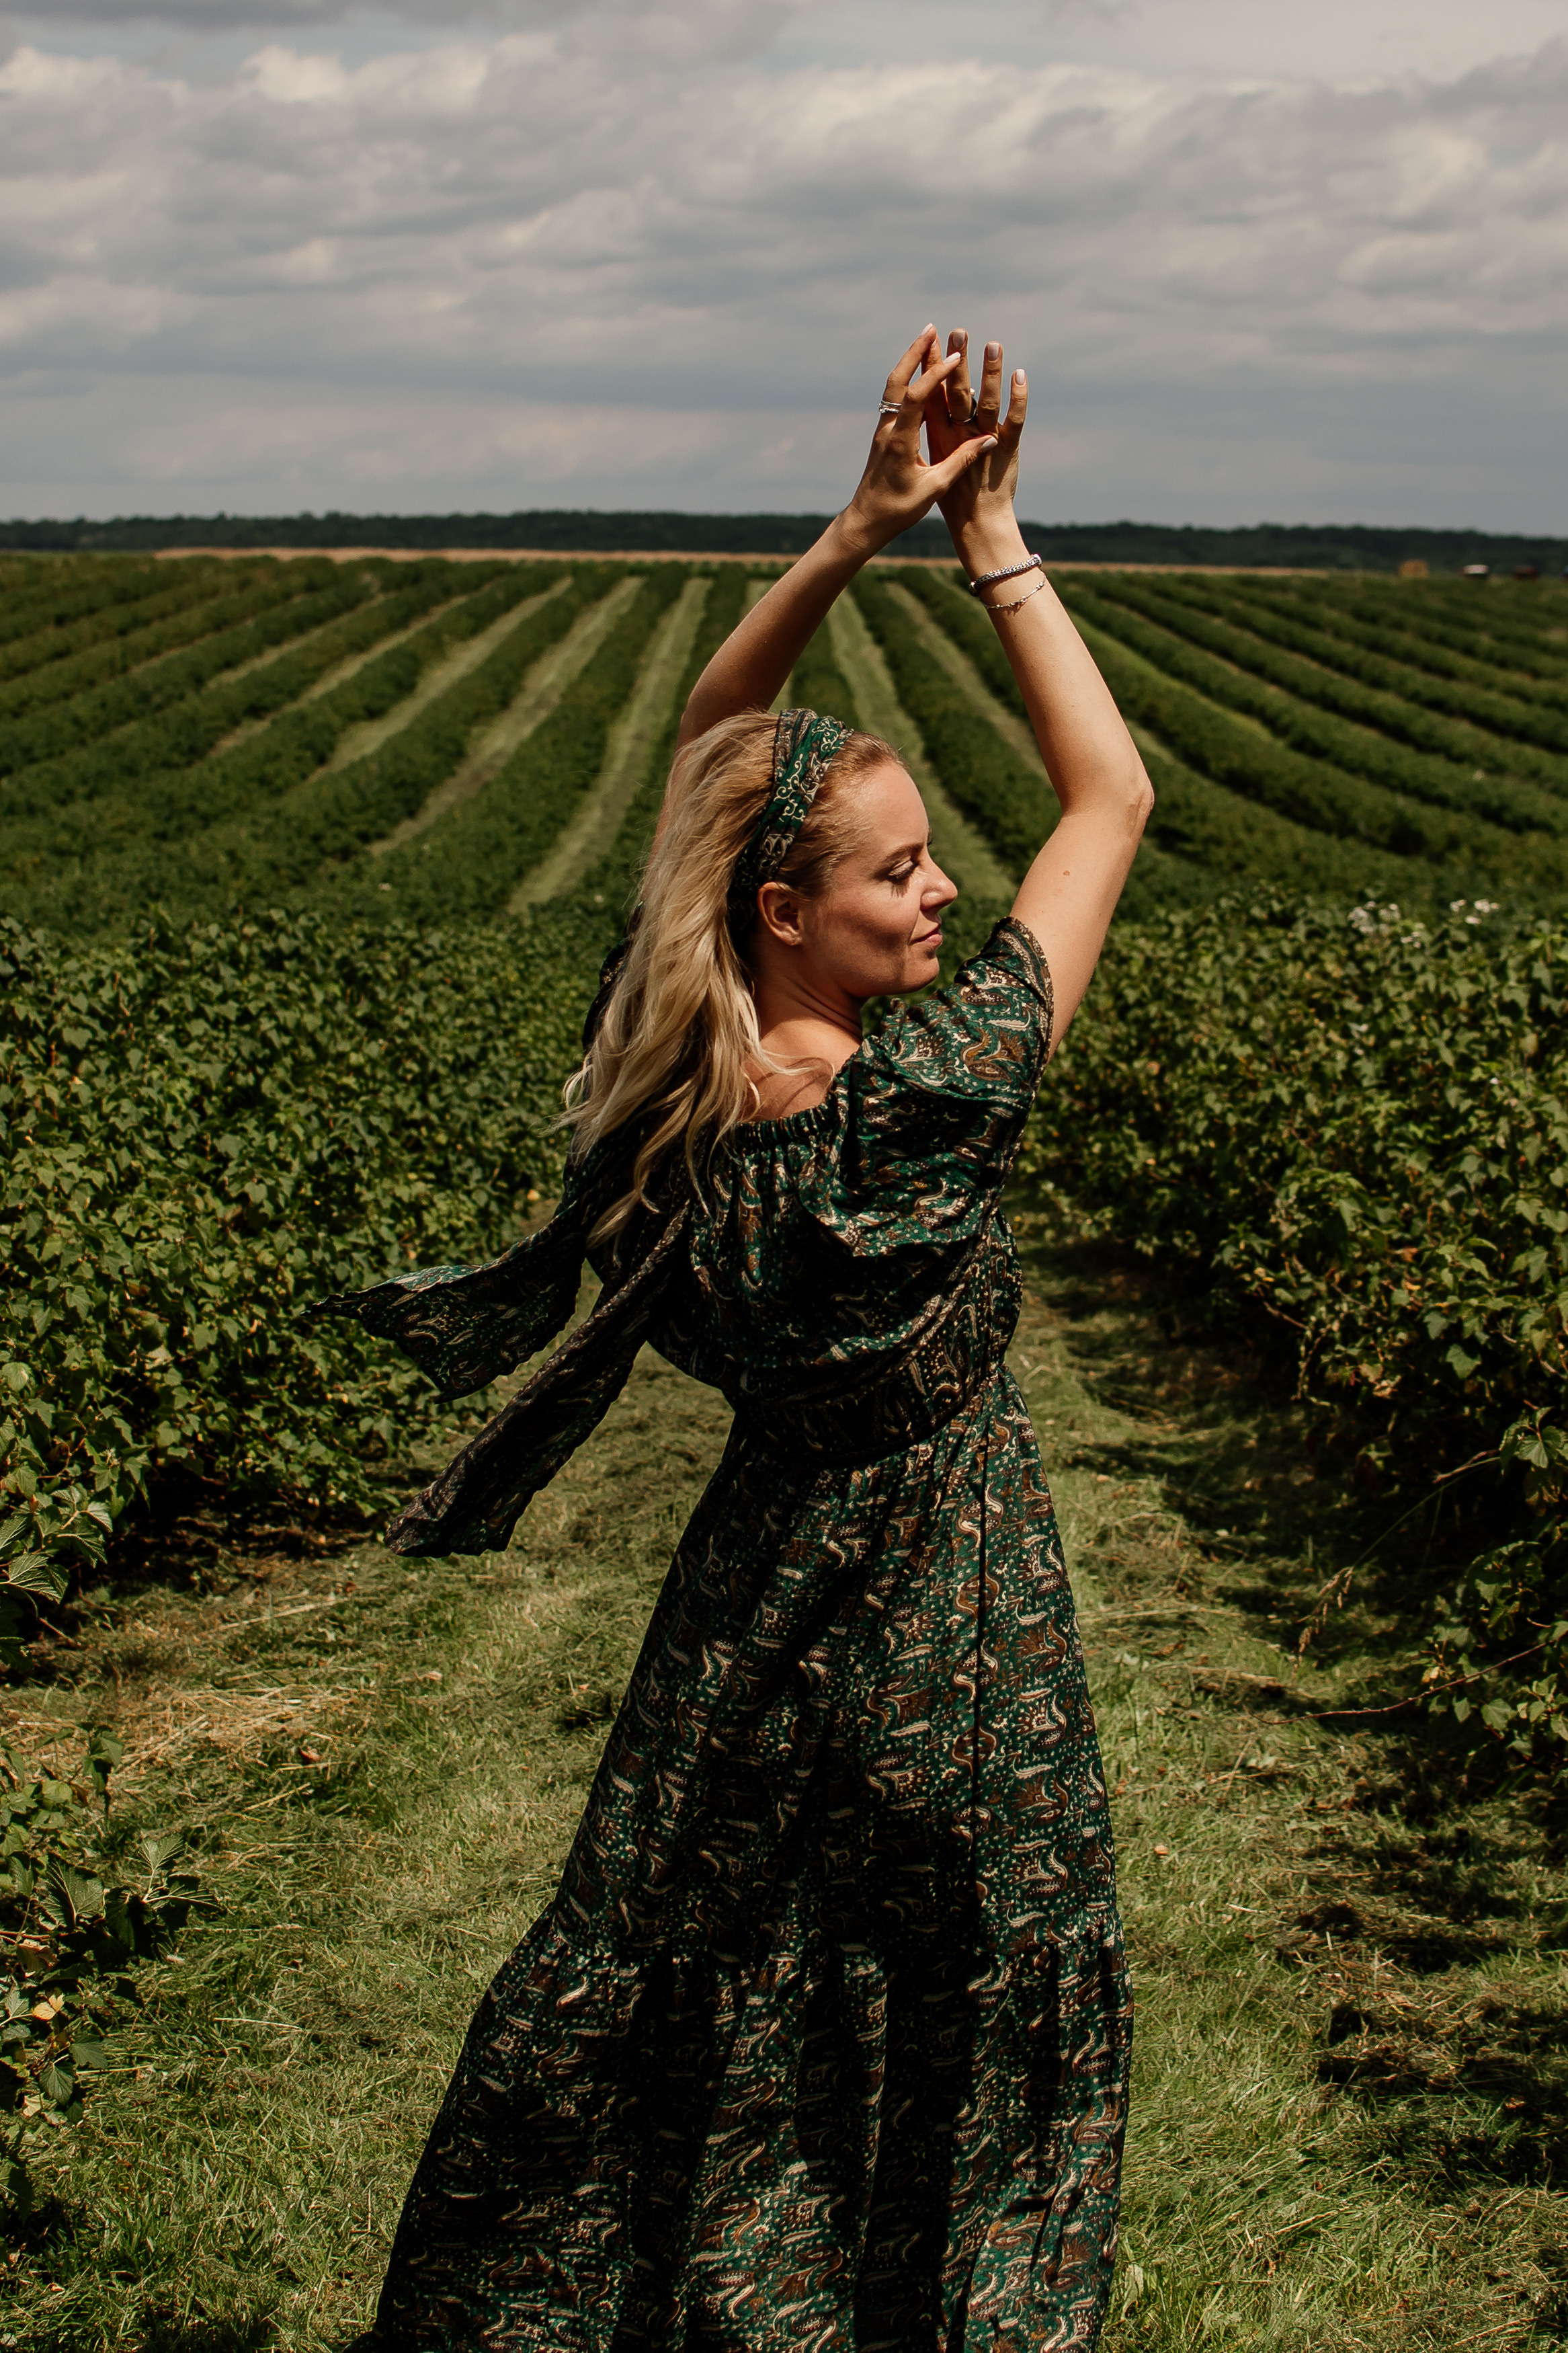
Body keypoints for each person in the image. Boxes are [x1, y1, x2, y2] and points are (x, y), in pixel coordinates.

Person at [326, 325, 1153, 2351]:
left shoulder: (671, 1104)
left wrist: (855, 527)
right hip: (952, 1621)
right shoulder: (923, 1106)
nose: (942, 892)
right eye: (898, 869)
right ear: (786, 910)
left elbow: (716, 741)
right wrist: (990, 537)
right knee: (959, 1999)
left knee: (720, 1975)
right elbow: (1114, 790)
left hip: (753, 1605)